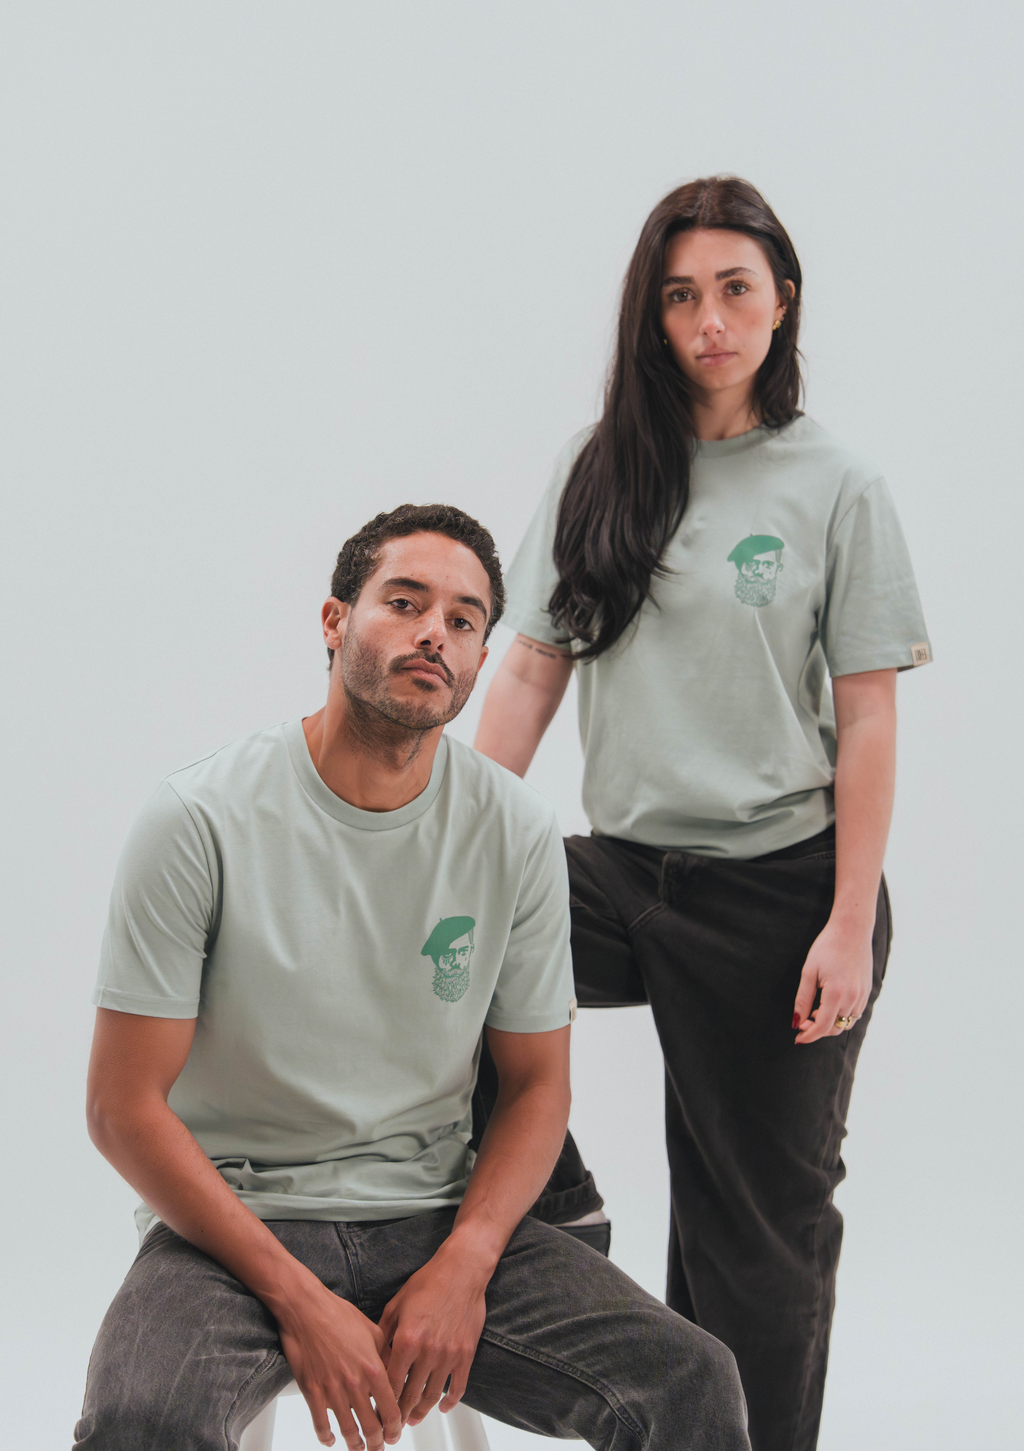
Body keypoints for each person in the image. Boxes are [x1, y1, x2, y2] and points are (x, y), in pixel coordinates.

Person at [75, 503, 750, 1451]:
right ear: (335, 620)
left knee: (691, 1380)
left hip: (433, 1216)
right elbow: (121, 1107)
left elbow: (536, 1086)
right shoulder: (200, 818)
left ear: (478, 661)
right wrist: (299, 1301)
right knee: (141, 1420)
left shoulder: (513, 829)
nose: (436, 630)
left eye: (464, 620)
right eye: (404, 601)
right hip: (232, 1229)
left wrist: (466, 1262)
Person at [473, 176, 932, 1451]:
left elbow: (870, 718)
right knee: (428, 942)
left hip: (781, 891)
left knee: (753, 1242)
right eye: (680, 296)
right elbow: (531, 665)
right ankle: (553, 1198)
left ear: (782, 300)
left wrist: (848, 921)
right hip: (621, 873)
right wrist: (444, 840)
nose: (709, 321)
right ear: (652, 316)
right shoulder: (602, 465)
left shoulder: (836, 482)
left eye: (734, 289)